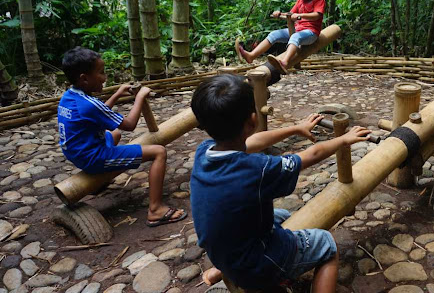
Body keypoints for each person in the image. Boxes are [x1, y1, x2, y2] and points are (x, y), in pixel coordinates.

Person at [190, 74, 370, 292]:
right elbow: (312, 154)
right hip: (255, 264)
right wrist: (344, 139)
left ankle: (223, 268)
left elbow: (251, 142)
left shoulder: (204, 151)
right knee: (327, 244)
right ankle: (257, 272)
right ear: (253, 120)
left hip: (223, 252)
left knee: (284, 216)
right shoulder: (258, 169)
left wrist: (295, 128)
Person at [57, 47, 187, 227]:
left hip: (77, 151)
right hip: (92, 157)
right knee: (159, 152)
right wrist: (140, 97)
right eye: (101, 73)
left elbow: (99, 113)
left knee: (114, 133)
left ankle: (98, 184)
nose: (105, 77)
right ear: (84, 78)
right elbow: (130, 125)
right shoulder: (89, 105)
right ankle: (155, 210)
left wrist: (117, 94)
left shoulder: (70, 96)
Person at [235, 0, 325, 74]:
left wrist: (300, 16)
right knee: (274, 34)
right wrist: (279, 14)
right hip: (297, 30)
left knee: (295, 37)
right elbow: (290, 14)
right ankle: (251, 56)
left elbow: (316, 15)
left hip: (311, 33)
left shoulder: (319, 0)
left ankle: (285, 62)